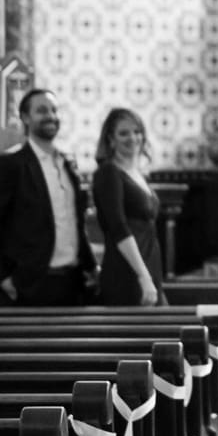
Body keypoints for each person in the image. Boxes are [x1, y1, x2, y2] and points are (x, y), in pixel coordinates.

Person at [0, 86, 95, 306]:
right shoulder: (12, 164)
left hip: (74, 280)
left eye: (54, 110)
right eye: (42, 110)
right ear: (25, 118)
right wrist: (2, 278)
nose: (50, 116)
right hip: (32, 282)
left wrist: (91, 266)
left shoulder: (68, 163)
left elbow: (77, 222)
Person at [92, 107, 162, 306]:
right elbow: (118, 227)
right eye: (123, 133)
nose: (132, 138)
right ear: (110, 139)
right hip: (128, 271)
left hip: (149, 265)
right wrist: (143, 276)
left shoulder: (137, 173)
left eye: (137, 131)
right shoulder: (108, 173)